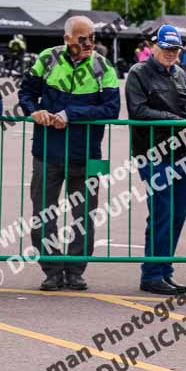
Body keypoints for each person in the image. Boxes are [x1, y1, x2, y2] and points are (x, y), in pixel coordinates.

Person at [19, 15, 120, 291]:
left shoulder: (103, 66)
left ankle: (75, 271)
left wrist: (70, 114)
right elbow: (26, 92)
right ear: (67, 39)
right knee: (43, 215)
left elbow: (112, 109)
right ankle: (51, 270)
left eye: (93, 38)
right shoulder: (47, 59)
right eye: (82, 39)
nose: (89, 43)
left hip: (90, 154)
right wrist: (33, 110)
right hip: (46, 152)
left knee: (85, 216)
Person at [125, 25, 186, 295]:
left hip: (182, 152)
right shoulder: (138, 73)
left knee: (177, 214)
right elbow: (139, 111)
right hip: (154, 153)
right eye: (166, 48)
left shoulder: (180, 74)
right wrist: (176, 121)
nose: (170, 53)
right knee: (162, 213)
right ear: (153, 46)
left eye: (174, 49)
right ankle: (152, 274)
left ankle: (164, 271)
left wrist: (181, 122)